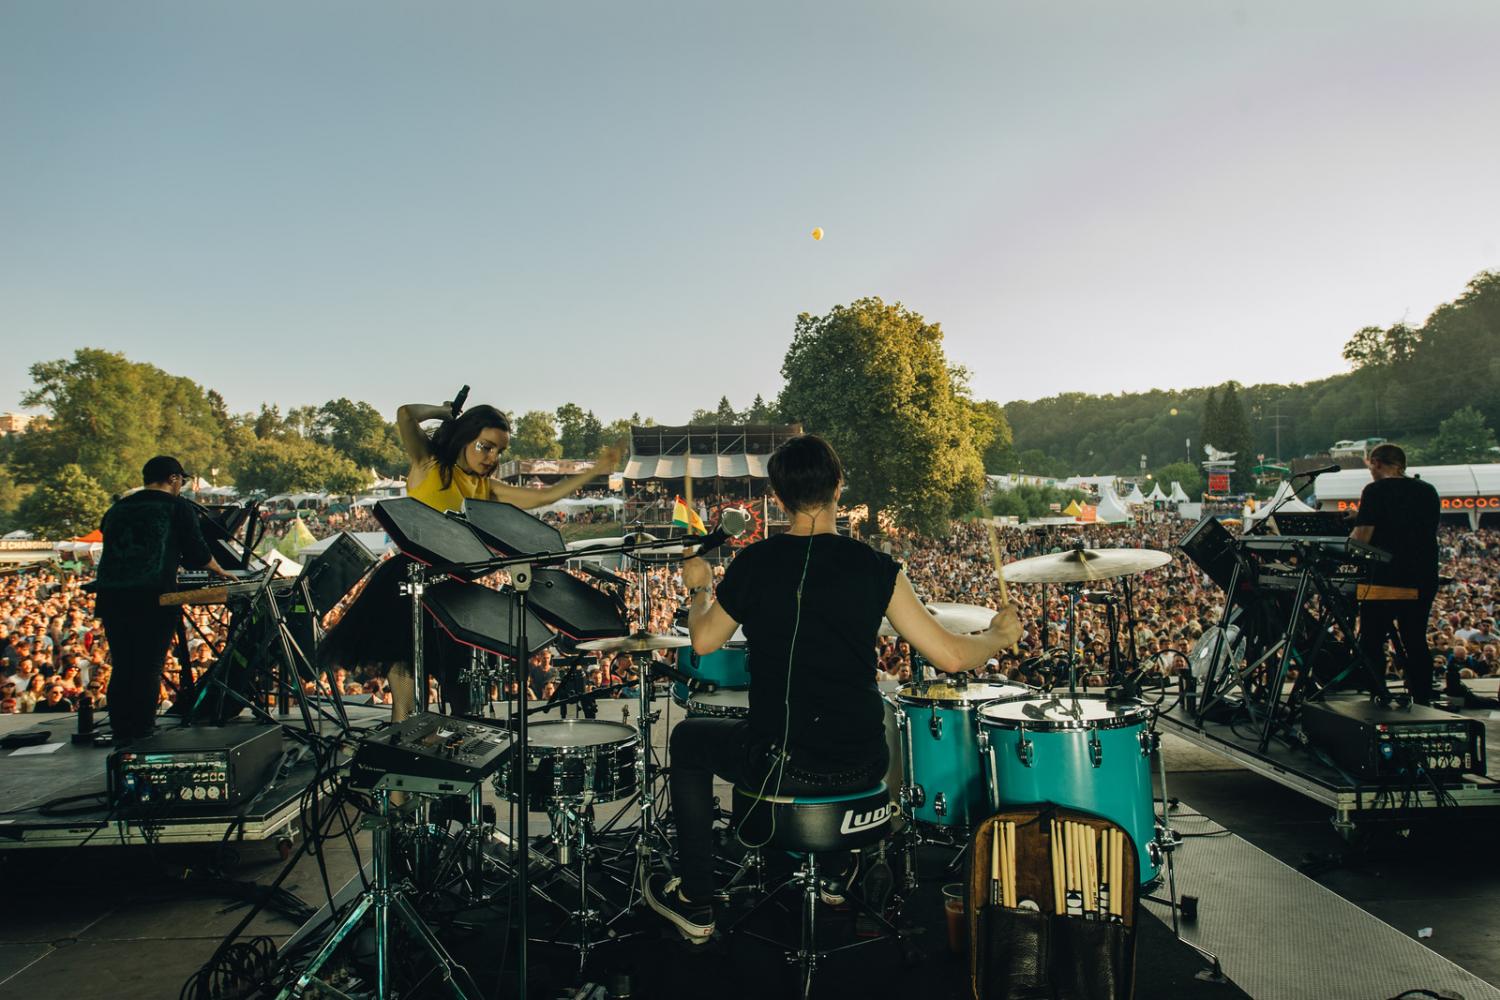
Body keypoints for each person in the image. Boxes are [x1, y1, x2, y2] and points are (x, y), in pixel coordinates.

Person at [645, 433, 1022, 944]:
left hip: (781, 764)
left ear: (778, 497)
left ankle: (696, 899)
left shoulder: (755, 563)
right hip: (863, 764)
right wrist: (997, 636)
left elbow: (704, 641)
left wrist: (699, 589)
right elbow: (952, 657)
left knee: (689, 738)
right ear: (839, 487)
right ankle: (835, 872)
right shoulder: (876, 568)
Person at [320, 398, 619, 721]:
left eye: (499, 451)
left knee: (458, 675)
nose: (492, 458)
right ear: (464, 438)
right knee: (404, 661)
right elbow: (405, 414)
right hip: (410, 577)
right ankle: (402, 728)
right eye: (485, 447)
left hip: (454, 587)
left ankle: (456, 736)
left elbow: (543, 497)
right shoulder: (429, 465)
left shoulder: (485, 487)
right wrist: (442, 413)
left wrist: (594, 471)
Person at [90, 456, 233, 742]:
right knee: (148, 666)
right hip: (152, 598)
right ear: (173, 478)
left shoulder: (118, 507)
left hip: (112, 596)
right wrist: (219, 569)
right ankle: (141, 730)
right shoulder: (176, 507)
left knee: (124, 665)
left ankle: (122, 729)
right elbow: (196, 554)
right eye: (182, 481)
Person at [1350, 444, 1441, 704]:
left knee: (1372, 639)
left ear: (1377, 463)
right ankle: (1423, 698)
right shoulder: (1427, 490)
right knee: (1415, 639)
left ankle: (1379, 696)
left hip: (1385, 579)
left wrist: (1353, 528)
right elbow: (1407, 525)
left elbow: (1361, 539)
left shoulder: (1375, 490)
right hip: (1422, 576)